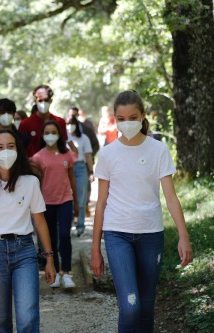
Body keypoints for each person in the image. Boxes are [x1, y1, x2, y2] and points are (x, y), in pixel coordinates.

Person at [90, 90, 193, 333]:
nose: (127, 123)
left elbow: (170, 196)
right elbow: (101, 203)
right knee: (131, 306)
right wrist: (95, 249)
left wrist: (184, 236)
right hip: (117, 234)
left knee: (146, 307)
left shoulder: (158, 150)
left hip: (151, 234)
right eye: (121, 119)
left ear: (143, 116)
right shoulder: (107, 154)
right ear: (114, 119)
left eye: (132, 117)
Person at [0, 129, 56, 333]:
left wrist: (49, 258)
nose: (5, 151)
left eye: (11, 146)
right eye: (0, 147)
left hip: (24, 251)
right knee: (0, 322)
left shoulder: (31, 182)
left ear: (18, 150)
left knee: (27, 318)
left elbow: (40, 221)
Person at [31, 121, 78, 288]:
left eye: (53, 132)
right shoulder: (38, 157)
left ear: (59, 134)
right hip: (46, 203)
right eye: (47, 132)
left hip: (65, 200)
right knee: (49, 239)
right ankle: (55, 271)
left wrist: (77, 203)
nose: (50, 135)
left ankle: (67, 273)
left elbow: (72, 179)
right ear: (43, 135)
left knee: (65, 235)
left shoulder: (67, 155)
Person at [18, 84, 77, 157]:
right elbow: (21, 149)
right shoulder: (25, 124)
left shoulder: (60, 122)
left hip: (56, 165)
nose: (43, 103)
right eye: (40, 100)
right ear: (35, 101)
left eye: (46, 100)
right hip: (32, 166)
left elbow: (63, 146)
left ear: (50, 101)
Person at [67, 115, 94, 236]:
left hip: (80, 168)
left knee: (81, 199)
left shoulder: (84, 138)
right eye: (67, 123)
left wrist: (91, 171)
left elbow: (88, 156)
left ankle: (80, 226)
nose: (70, 125)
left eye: (72, 123)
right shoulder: (63, 139)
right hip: (66, 168)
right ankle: (68, 225)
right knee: (67, 198)